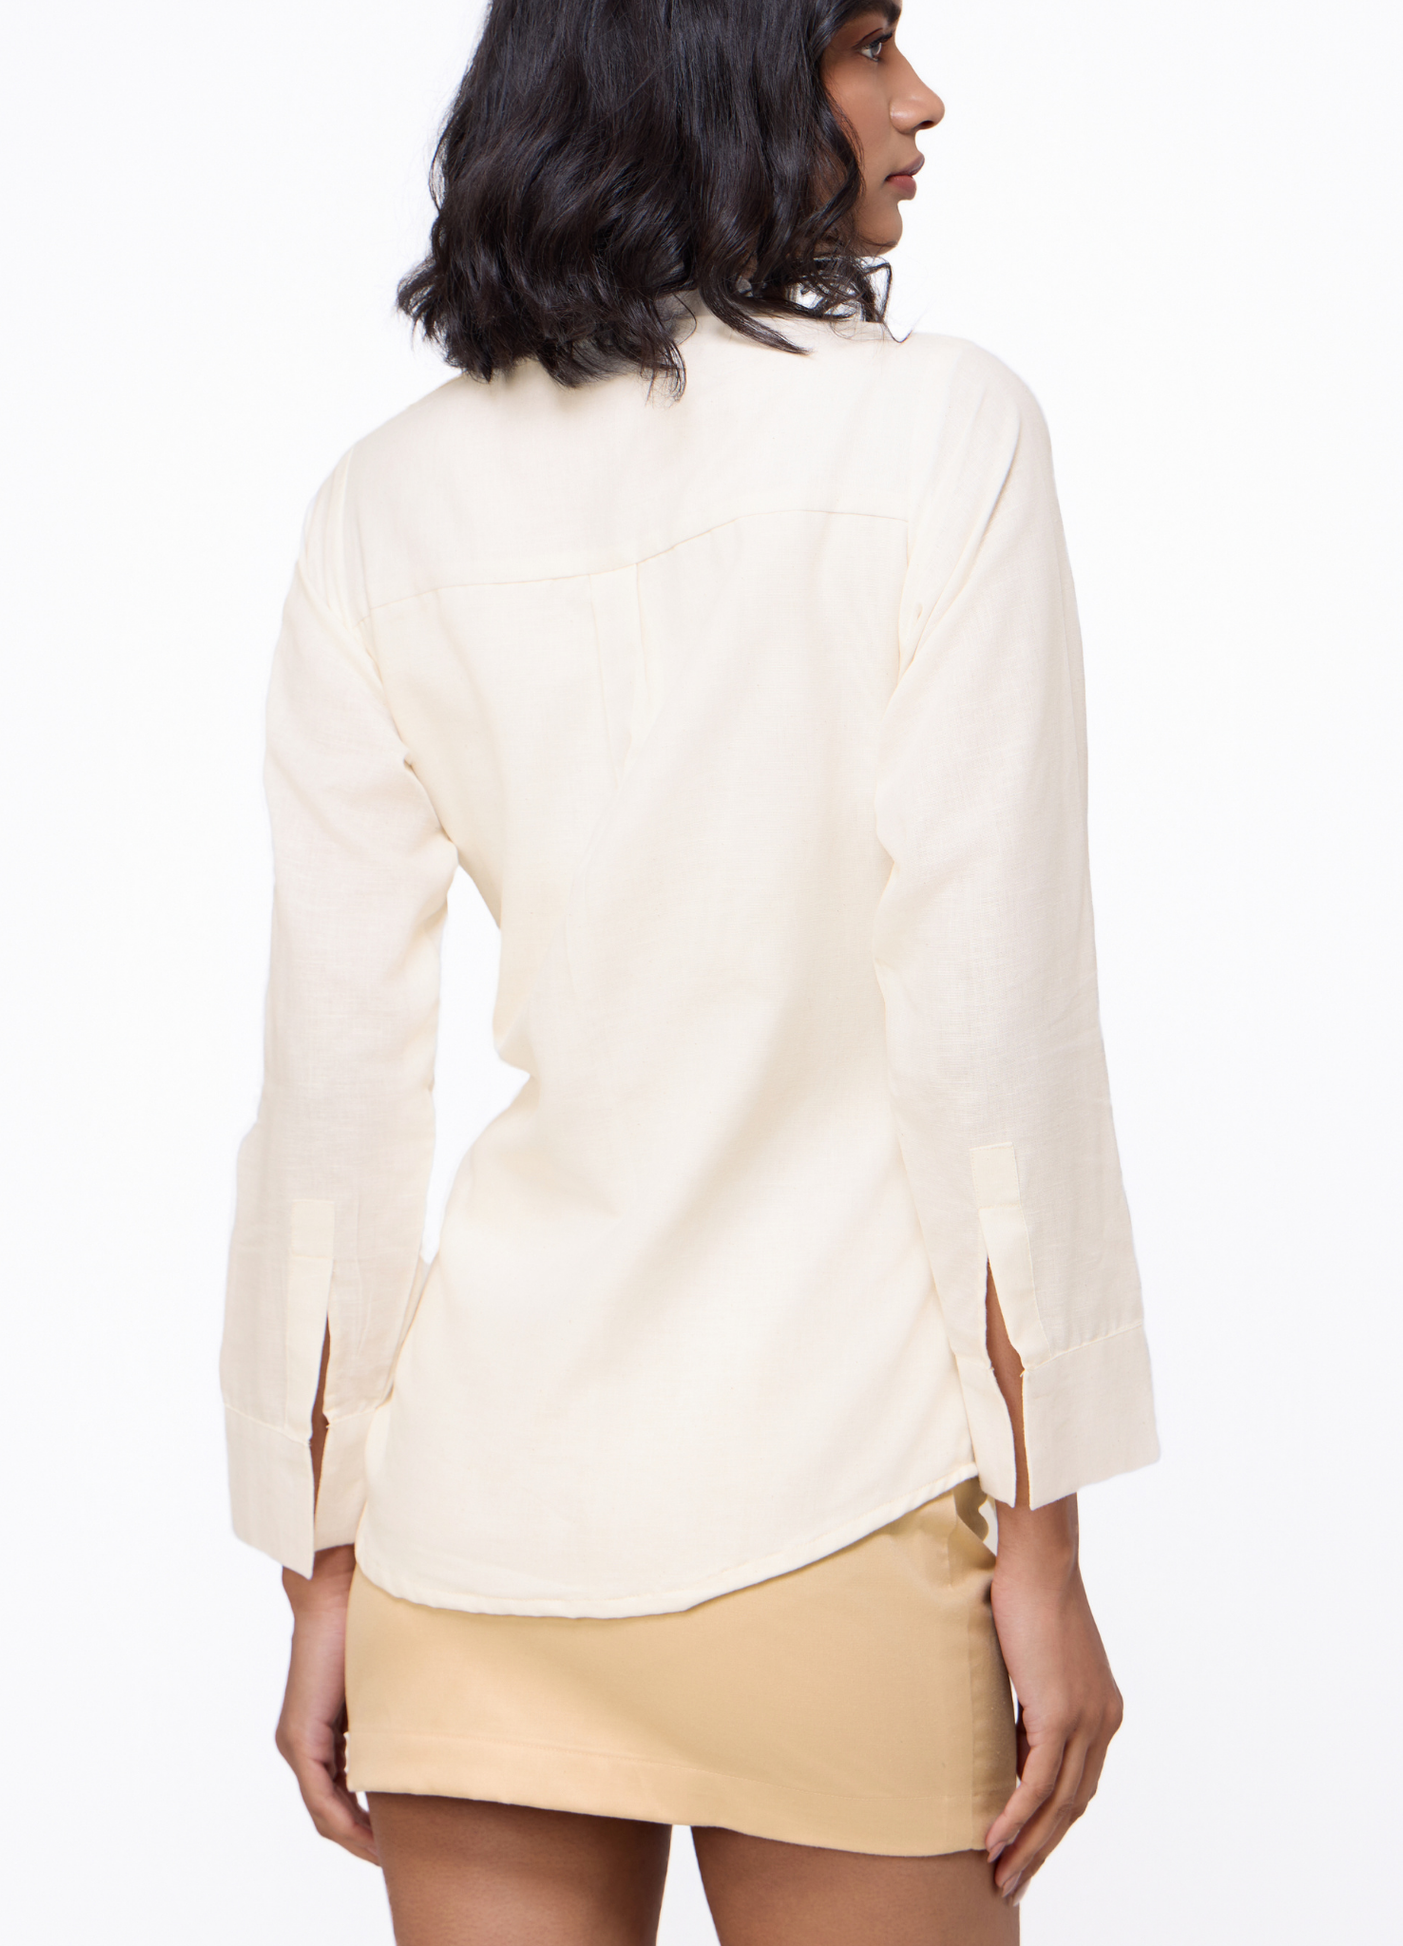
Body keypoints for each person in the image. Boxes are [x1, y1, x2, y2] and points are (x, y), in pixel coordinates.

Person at [219, 2, 1160, 1939]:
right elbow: (991, 1025)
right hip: (833, 1494)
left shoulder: (380, 510)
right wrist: (1042, 1536)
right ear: (710, 71)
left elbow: (332, 1093)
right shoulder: (942, 435)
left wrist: (325, 1562)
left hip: (475, 1536)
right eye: (865, 46)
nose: (920, 99)